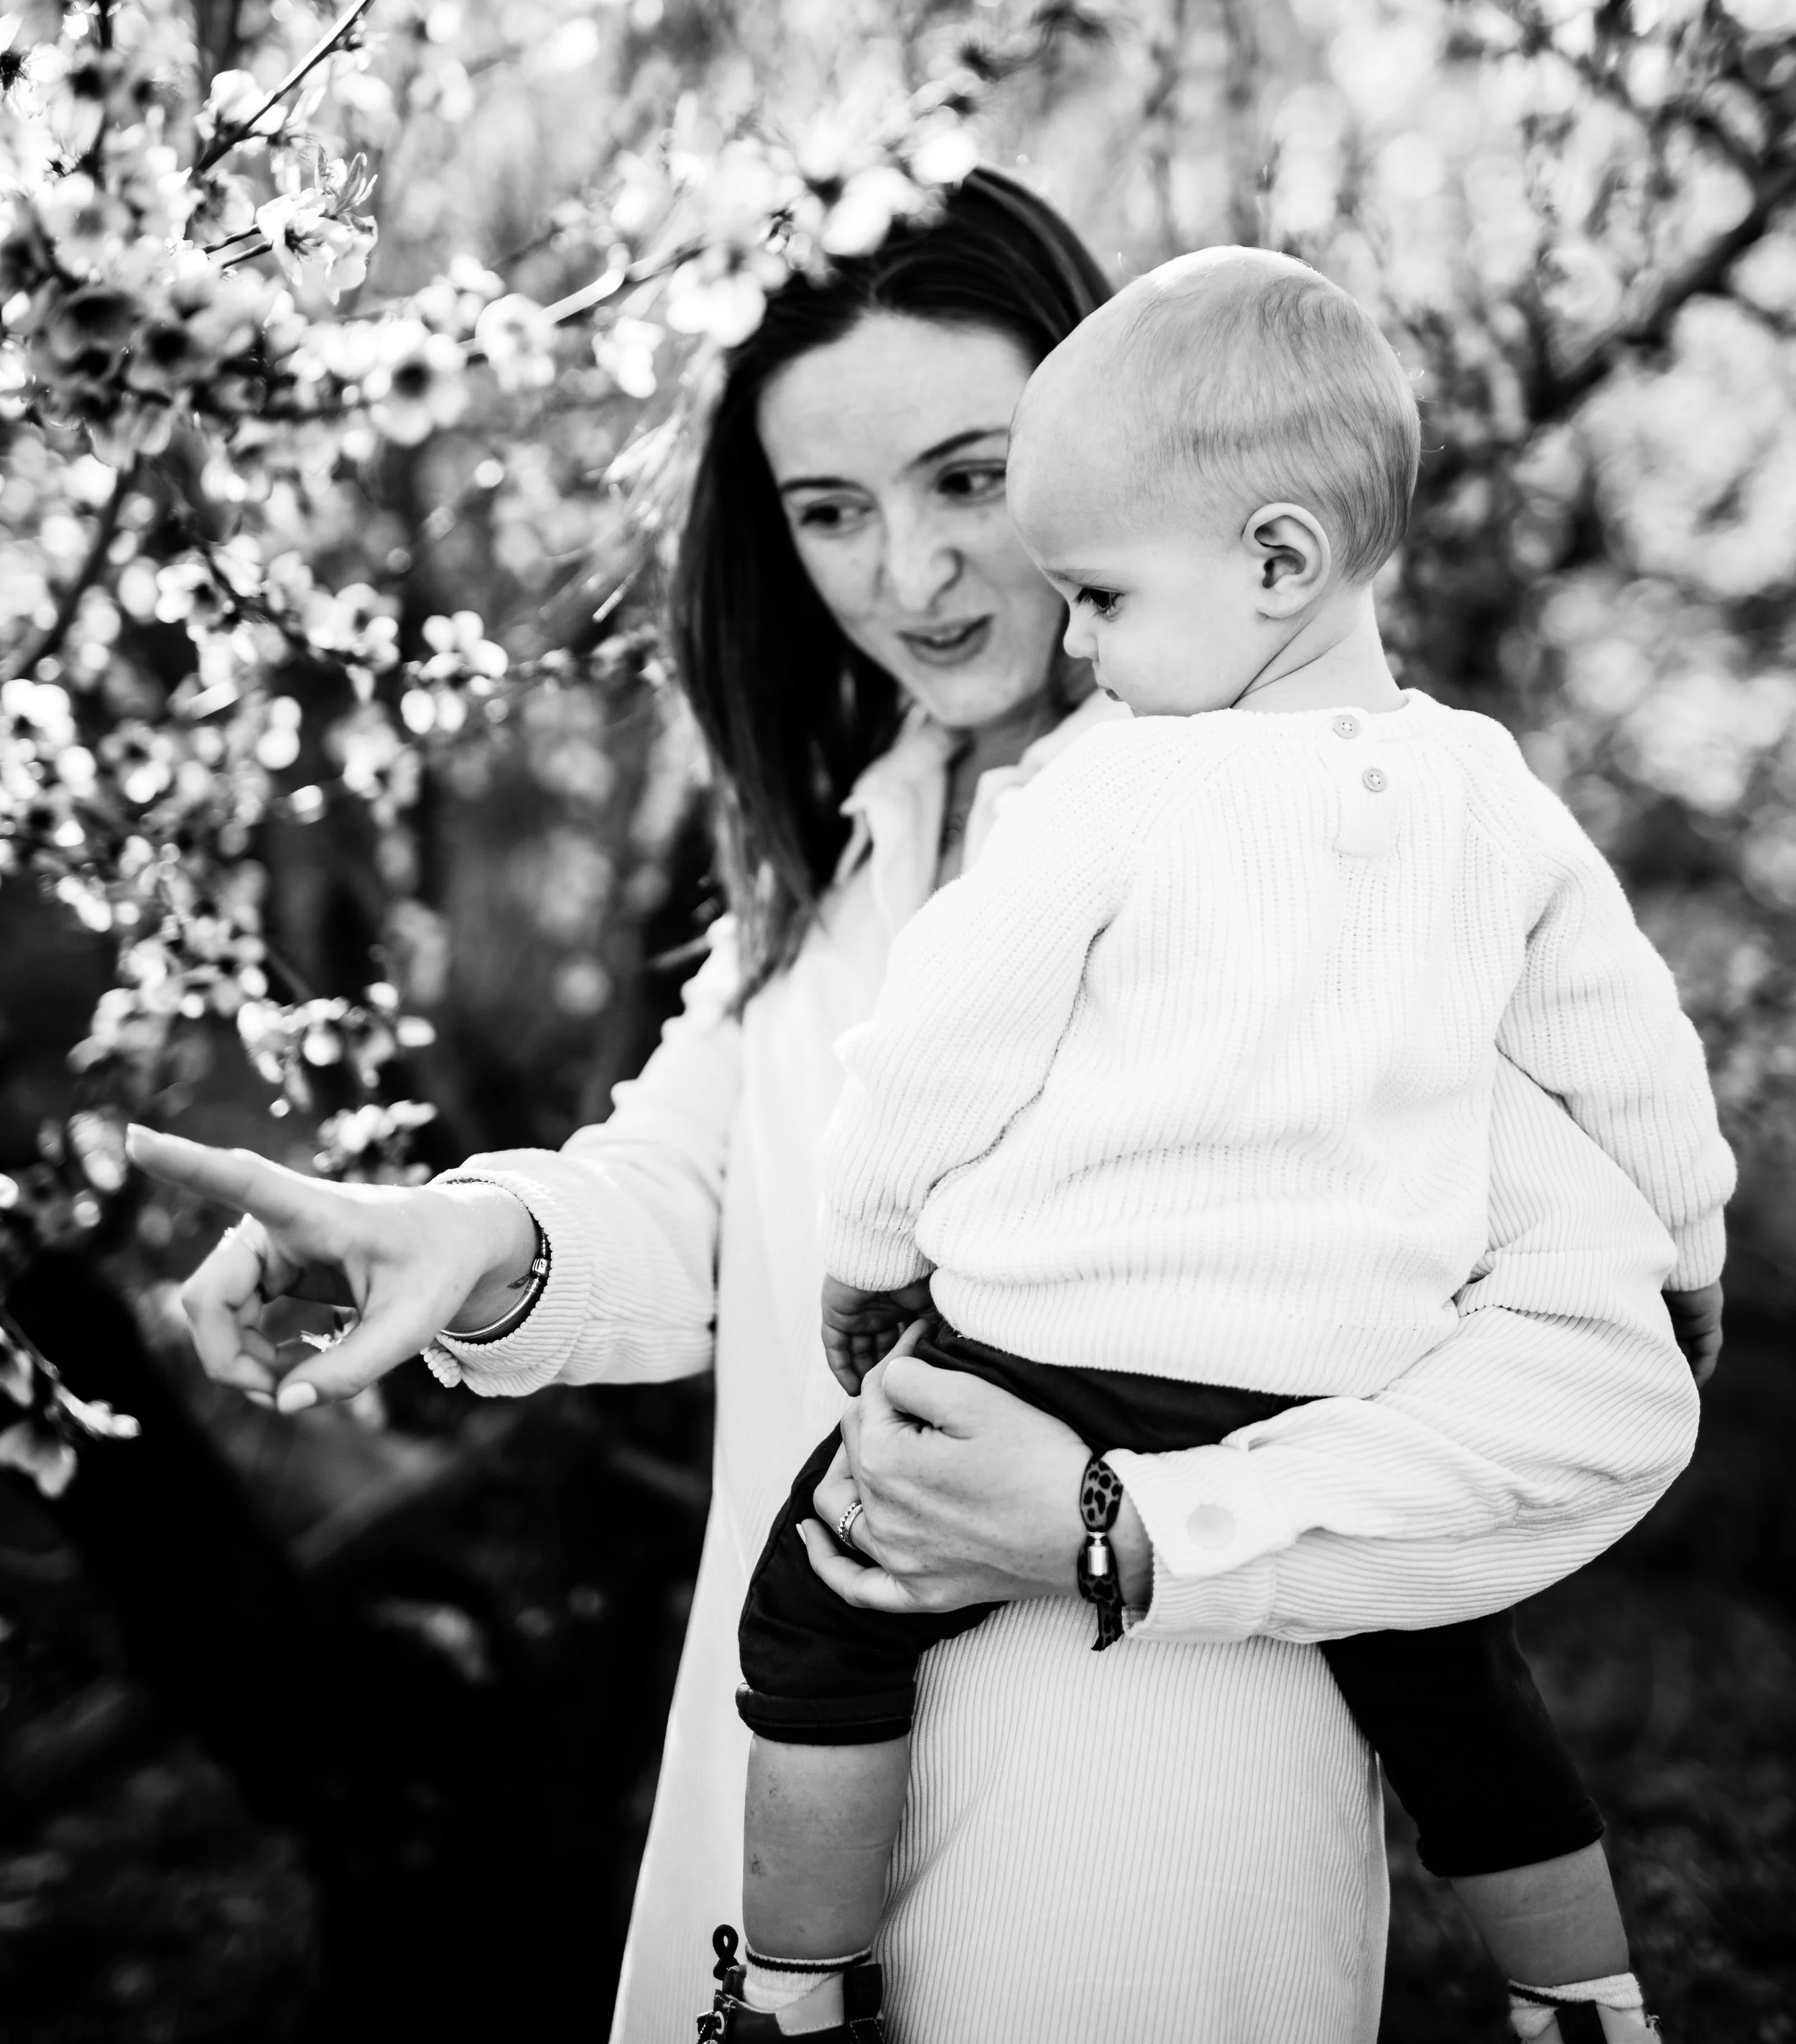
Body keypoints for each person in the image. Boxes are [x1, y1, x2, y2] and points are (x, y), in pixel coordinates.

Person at [129, 173, 1705, 2044]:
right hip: (803, 1796)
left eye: (970, 479)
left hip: (1148, 1835)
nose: (911, 573)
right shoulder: (854, 835)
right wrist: (463, 1236)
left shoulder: (1345, 875)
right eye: (828, 511)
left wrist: (1132, 1519)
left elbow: (1595, 1374)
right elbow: (700, 1179)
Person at [723, 247, 1733, 2044]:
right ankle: (1578, 2000)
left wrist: (867, 1257)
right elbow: (1624, 1052)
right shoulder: (1484, 795)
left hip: (1060, 1359)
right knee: (1446, 1674)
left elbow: (937, 1048)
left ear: (1274, 559)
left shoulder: (1106, 787)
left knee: (819, 1608)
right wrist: (1685, 1257)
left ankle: (791, 1993)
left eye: (1098, 596)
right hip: (1341, 1383)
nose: (1085, 645)